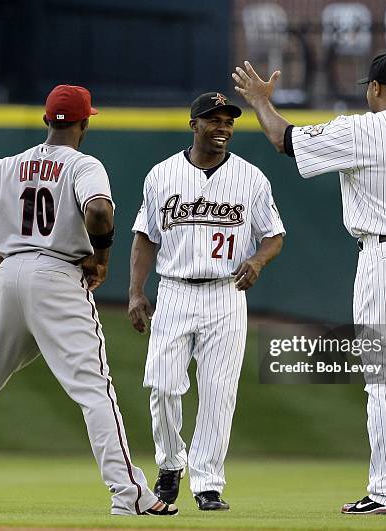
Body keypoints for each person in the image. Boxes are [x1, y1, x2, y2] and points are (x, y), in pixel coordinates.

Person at [233, 47, 386, 515]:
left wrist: (261, 102)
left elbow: (287, 140)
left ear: (372, 88)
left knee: (384, 377)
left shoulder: (362, 128)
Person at [0, 85, 177, 517]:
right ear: (85, 122)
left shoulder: (6, 166)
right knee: (95, 390)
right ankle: (129, 495)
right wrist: (102, 260)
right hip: (58, 275)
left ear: (45, 120)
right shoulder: (83, 163)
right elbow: (99, 212)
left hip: (11, 275)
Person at [128, 92, 285, 511]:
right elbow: (145, 237)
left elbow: (274, 234)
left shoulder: (251, 178)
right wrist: (135, 292)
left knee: (218, 392)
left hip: (226, 293)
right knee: (162, 385)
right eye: (213, 119)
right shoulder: (161, 175)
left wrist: (258, 259)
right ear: (193, 124)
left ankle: (208, 483)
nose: (223, 127)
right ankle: (169, 465)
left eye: (228, 121)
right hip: (174, 289)